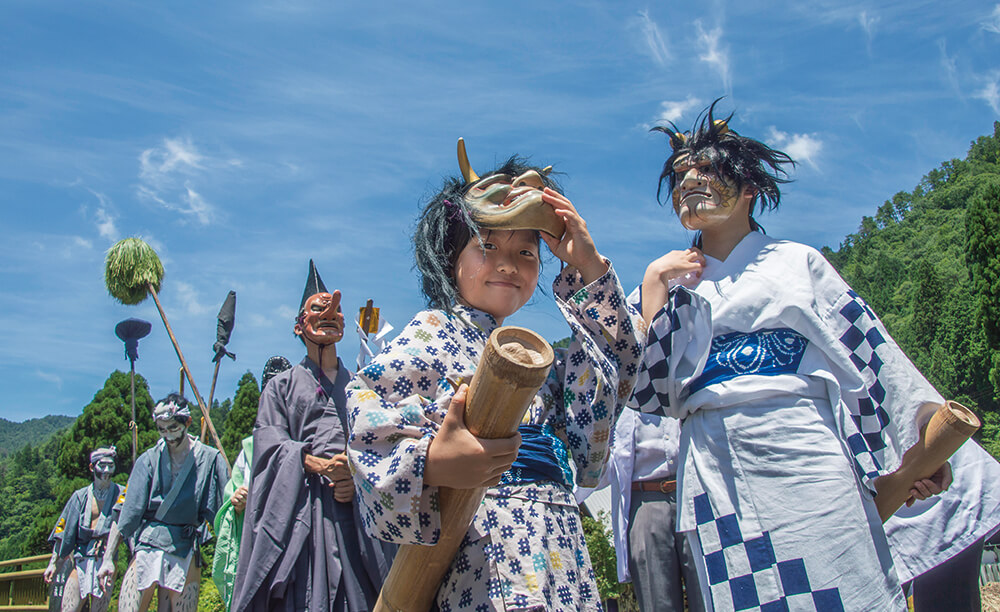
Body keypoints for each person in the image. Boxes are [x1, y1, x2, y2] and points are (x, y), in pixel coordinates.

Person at [630, 100, 1000, 610]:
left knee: (840, 583)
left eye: (708, 168)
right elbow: (648, 393)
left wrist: (919, 434)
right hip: (712, 467)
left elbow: (872, 357)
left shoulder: (797, 261)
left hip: (804, 450)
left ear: (750, 189)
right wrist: (653, 287)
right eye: (680, 173)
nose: (690, 179)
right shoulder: (665, 279)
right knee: (742, 591)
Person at [347, 144, 645, 610]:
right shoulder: (433, 329)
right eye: (487, 245)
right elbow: (368, 420)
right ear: (451, 258)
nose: (508, 263)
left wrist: (587, 266)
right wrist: (433, 460)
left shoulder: (540, 360)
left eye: (526, 251)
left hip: (560, 548)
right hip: (480, 553)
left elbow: (614, 380)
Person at [230, 264, 393, 612]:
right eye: (317, 309)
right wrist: (317, 464)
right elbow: (270, 446)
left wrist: (354, 474)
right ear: (298, 325)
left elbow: (381, 447)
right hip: (301, 509)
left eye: (335, 309)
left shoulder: (362, 385)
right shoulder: (281, 386)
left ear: (345, 325)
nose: (329, 313)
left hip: (356, 513)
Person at [97, 394, 228, 612]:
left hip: (185, 546)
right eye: (162, 429)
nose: (168, 434)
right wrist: (108, 558)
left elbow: (224, 512)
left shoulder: (211, 459)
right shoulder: (148, 459)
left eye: (173, 427)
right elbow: (125, 513)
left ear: (187, 422)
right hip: (149, 542)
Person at [212, 355, 292, 610]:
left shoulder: (311, 445)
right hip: (256, 548)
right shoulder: (249, 449)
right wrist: (235, 503)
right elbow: (229, 503)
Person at [603, 409, 703, 612]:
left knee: (708, 590)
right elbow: (604, 469)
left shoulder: (680, 383)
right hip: (645, 500)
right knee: (658, 600)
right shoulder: (621, 396)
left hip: (693, 492)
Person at [43, 447, 124, 612]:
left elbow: (131, 523)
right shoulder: (80, 496)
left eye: (111, 465)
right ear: (92, 467)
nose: (107, 471)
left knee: (99, 609)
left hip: (105, 558)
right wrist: (53, 563)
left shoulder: (121, 494)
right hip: (81, 559)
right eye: (102, 465)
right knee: (68, 607)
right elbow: (63, 531)